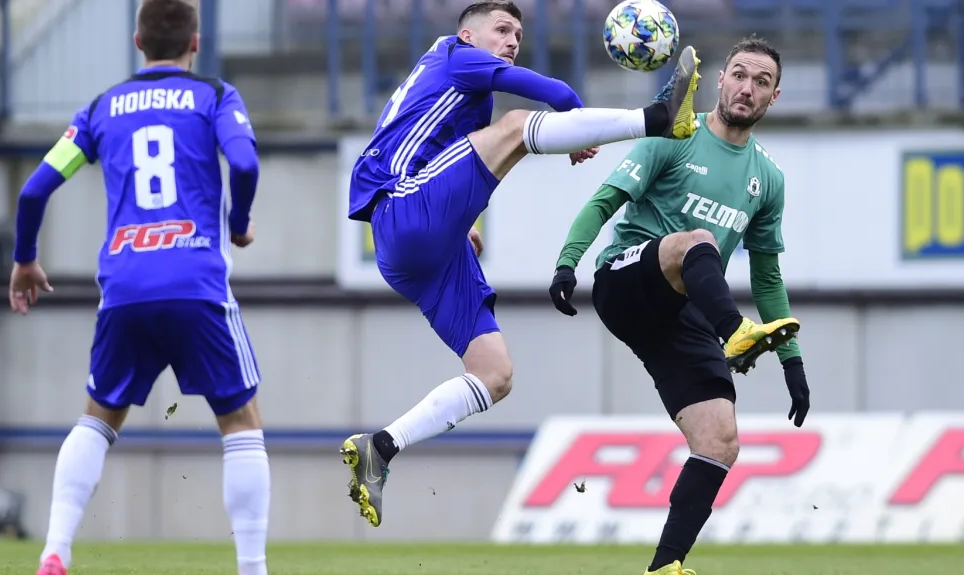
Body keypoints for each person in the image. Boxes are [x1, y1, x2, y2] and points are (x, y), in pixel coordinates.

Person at [340, 0, 702, 528]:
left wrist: (453, 222)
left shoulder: (454, 83)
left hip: (423, 246)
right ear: (467, 34)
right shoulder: (455, 57)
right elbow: (553, 94)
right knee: (514, 127)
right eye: (502, 30)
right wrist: (580, 121)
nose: (512, 41)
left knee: (494, 373)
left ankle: (381, 448)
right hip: (401, 210)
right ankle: (657, 119)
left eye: (518, 33)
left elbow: (425, 144)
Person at [10, 2, 270, 574]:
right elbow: (245, 164)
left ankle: (56, 548)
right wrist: (237, 222)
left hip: (125, 287)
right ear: (195, 43)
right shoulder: (214, 96)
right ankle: (252, 569)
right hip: (196, 282)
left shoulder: (102, 108)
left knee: (98, 418)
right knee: (242, 421)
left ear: (137, 40)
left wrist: (26, 259)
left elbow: (33, 191)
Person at [548, 36, 811, 575]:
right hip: (626, 281)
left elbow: (766, 274)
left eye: (762, 82)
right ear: (720, 80)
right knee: (697, 243)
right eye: (739, 74)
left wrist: (794, 365)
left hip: (684, 315)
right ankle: (737, 332)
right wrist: (567, 263)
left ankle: (665, 565)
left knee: (720, 439)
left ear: (774, 97)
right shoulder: (674, 136)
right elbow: (605, 201)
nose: (748, 87)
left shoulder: (769, 179)